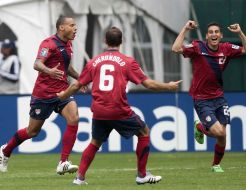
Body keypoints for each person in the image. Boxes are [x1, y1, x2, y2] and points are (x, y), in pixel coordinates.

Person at [57, 26, 182, 185]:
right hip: (118, 109)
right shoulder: (128, 62)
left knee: (95, 142)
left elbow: (76, 85)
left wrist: (63, 95)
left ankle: (79, 178)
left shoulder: (94, 61)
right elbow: (148, 84)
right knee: (144, 132)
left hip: (99, 110)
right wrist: (168, 86)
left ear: (105, 41)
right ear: (121, 41)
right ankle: (142, 175)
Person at [0, 15, 82, 174]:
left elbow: (67, 68)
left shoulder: (69, 44)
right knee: (32, 131)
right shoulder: (48, 44)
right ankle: (5, 150)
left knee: (74, 118)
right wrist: (49, 71)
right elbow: (37, 64)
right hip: (43, 94)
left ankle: (63, 162)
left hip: (62, 92)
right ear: (61, 28)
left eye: (75, 25)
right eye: (72, 25)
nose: (75, 28)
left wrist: (81, 80)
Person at [172, 20, 246, 172]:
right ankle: (199, 126)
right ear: (207, 36)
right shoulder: (197, 47)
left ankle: (216, 165)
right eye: (211, 32)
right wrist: (185, 29)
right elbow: (175, 48)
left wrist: (240, 33)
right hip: (201, 98)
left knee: (222, 136)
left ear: (221, 35)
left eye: (216, 32)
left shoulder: (227, 48)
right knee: (219, 132)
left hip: (219, 97)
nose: (214, 34)